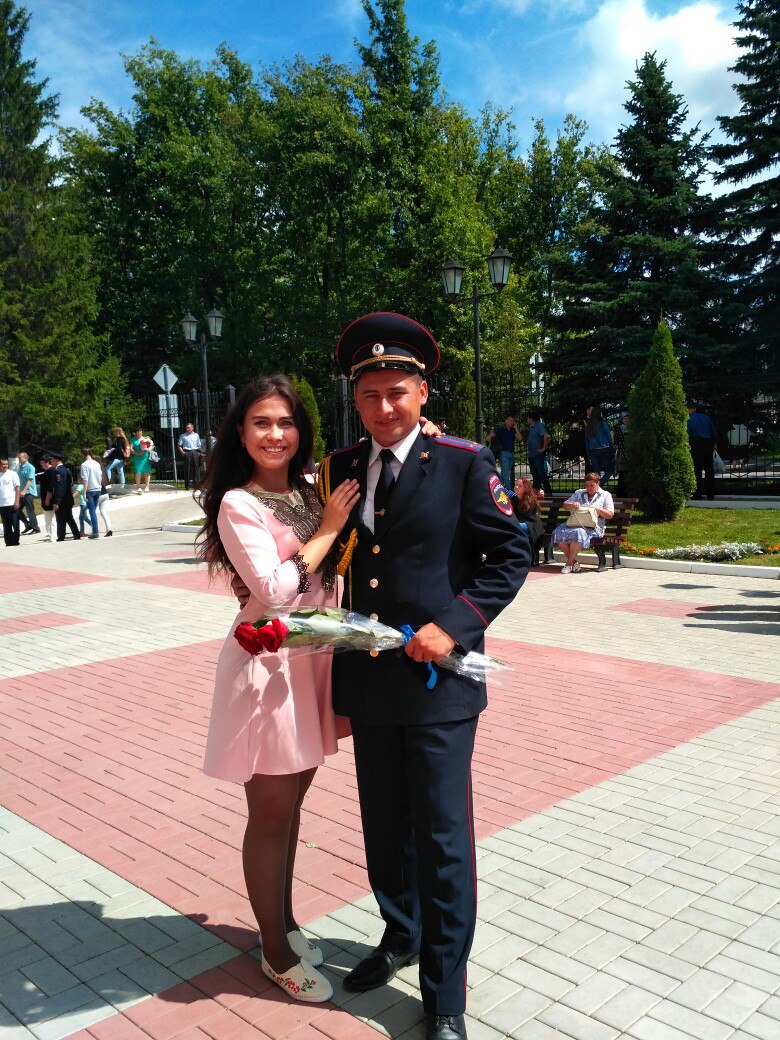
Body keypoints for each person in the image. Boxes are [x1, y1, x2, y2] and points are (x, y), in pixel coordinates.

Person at [318, 313, 530, 1040]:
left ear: (422, 391)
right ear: (356, 398)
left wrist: (455, 623)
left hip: (440, 685)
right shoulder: (342, 467)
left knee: (442, 842)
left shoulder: (465, 462)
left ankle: (444, 997)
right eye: (369, 395)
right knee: (385, 829)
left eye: (396, 392)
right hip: (370, 682)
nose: (383, 408)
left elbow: (511, 555)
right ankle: (400, 934)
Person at [198, 375, 360, 1004]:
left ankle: (284, 923)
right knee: (270, 812)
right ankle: (274, 952)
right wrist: (328, 530)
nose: (275, 434)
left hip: (312, 662)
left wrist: (425, 430)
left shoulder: (310, 489)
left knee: (292, 808)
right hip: (267, 669)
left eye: (286, 422)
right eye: (261, 422)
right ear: (241, 433)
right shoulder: (237, 503)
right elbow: (271, 589)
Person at [552, 472, 614, 573]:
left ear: (598, 483)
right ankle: (574, 562)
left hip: (594, 527)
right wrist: (573, 505)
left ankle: (569, 564)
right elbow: (565, 505)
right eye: (587, 485)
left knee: (578, 532)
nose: (589, 488)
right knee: (557, 532)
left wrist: (596, 509)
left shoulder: (605, 495)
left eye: (591, 485)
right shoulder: (579, 493)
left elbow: (610, 514)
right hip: (575, 523)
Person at [687, 401, 718, 500]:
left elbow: (686, 433)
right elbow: (714, 432)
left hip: (695, 442)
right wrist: (714, 444)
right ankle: (711, 494)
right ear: (695, 408)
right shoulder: (706, 417)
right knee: (709, 469)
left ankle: (698, 494)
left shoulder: (687, 418)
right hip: (708, 443)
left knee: (697, 469)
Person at [510, 477, 545, 559]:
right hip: (519, 523)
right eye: (516, 485)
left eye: (520, 486)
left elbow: (526, 517)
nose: (516, 487)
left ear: (526, 488)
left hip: (531, 525)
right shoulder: (513, 499)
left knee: (514, 526)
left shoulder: (530, 500)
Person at [49, 452, 81, 541]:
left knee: (60, 519)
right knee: (69, 518)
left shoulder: (58, 471)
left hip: (62, 499)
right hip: (68, 498)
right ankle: (76, 534)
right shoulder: (66, 470)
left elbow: (59, 487)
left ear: (55, 460)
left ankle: (61, 536)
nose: (51, 461)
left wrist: (57, 501)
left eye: (51, 460)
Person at [486, 413, 521, 488]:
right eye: (510, 420)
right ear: (506, 421)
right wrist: (494, 445)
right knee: (506, 474)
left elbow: (520, 438)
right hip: (503, 454)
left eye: (513, 421)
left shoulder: (513, 430)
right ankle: (510, 492)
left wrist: (516, 428)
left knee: (504, 473)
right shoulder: (500, 429)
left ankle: (498, 488)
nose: (512, 422)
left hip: (511, 454)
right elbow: (488, 437)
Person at [583, 406, 615, 487]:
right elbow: (608, 436)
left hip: (593, 451)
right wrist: (612, 447)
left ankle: (595, 488)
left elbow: (587, 442)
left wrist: (588, 454)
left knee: (595, 474)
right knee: (609, 470)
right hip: (604, 448)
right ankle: (598, 486)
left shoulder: (588, 425)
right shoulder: (602, 423)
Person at [525, 410, 552, 495]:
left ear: (531, 419)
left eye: (528, 418)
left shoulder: (539, 426)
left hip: (538, 455)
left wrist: (543, 448)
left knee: (541, 473)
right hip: (532, 454)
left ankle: (548, 492)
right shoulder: (532, 427)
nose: (527, 420)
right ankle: (536, 492)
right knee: (535, 474)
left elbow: (546, 436)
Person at [80, 448, 102, 539]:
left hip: (90, 490)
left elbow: (85, 479)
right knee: (93, 511)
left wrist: (84, 492)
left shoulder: (84, 465)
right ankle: (95, 530)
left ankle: (95, 532)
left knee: (92, 512)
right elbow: (100, 476)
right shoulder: (97, 464)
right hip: (98, 489)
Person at [17, 452, 40, 535]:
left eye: (20, 458)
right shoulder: (20, 467)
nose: (19, 459)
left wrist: (24, 490)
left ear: (26, 458)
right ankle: (27, 524)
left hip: (28, 492)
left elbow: (29, 480)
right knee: (16, 509)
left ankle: (35, 528)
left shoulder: (30, 467)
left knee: (30, 510)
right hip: (21, 493)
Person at [0, 458, 21, 547]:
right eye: (3, 464)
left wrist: (17, 501)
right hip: (2, 504)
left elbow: (17, 488)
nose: (5, 466)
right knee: (6, 524)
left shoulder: (12, 474)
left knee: (15, 523)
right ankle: (8, 542)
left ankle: (15, 541)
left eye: (6, 464)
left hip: (12, 503)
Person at [178, 422, 203, 489]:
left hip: (195, 452)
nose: (187, 429)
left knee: (196, 469)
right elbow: (179, 445)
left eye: (188, 428)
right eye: (186, 428)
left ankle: (196, 485)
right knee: (187, 469)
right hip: (187, 452)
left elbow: (199, 445)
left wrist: (199, 453)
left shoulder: (196, 435)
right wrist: (183, 453)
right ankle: (187, 485)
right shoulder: (183, 436)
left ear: (192, 428)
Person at [38, 455, 57, 542]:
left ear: (46, 462)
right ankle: (50, 535)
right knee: (48, 519)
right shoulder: (47, 471)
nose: (41, 464)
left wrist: (47, 499)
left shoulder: (51, 471)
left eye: (42, 462)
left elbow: (50, 487)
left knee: (51, 518)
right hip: (45, 497)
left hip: (48, 499)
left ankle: (53, 536)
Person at [130, 427, 153, 494]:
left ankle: (147, 487)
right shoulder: (133, 439)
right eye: (137, 431)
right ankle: (138, 487)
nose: (139, 433)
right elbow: (131, 449)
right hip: (137, 458)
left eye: (140, 431)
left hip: (145, 457)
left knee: (147, 472)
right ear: (135, 433)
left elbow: (150, 446)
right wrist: (137, 453)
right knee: (138, 472)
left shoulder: (146, 439)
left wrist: (144, 451)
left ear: (142, 432)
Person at [614, 414, 629, 495]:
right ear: (622, 419)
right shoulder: (618, 428)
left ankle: (626, 491)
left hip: (629, 452)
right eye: (625, 418)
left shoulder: (631, 428)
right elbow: (616, 440)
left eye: (628, 418)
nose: (626, 420)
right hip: (621, 452)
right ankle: (620, 492)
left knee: (627, 473)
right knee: (622, 473)